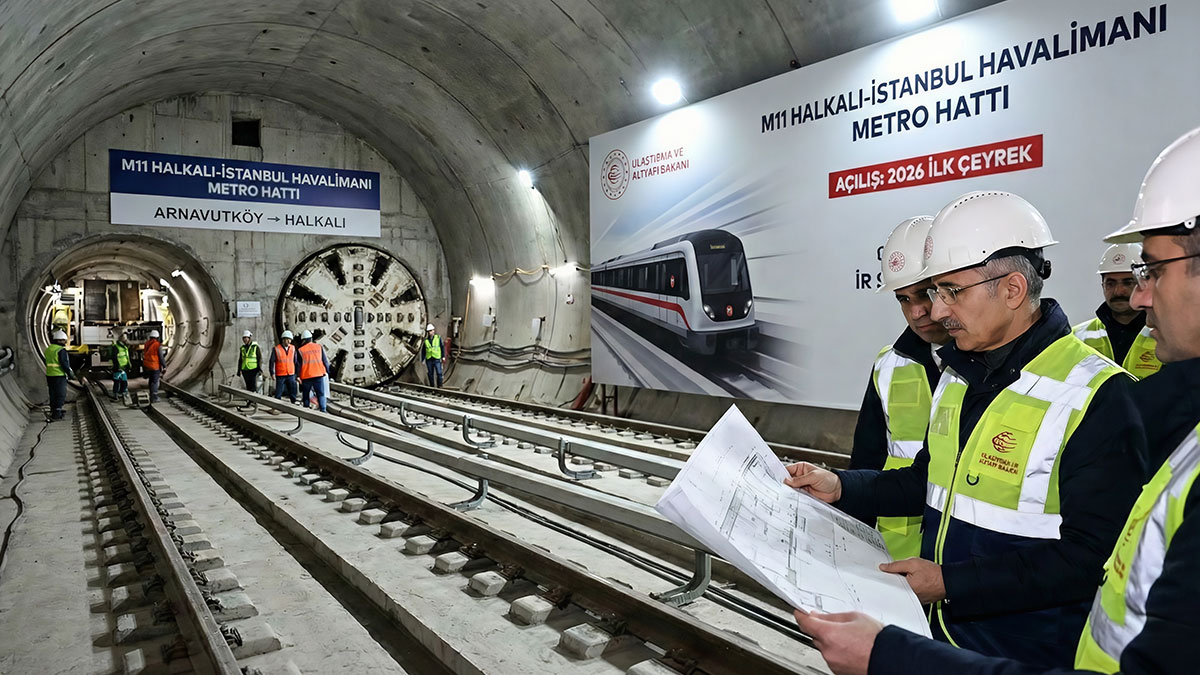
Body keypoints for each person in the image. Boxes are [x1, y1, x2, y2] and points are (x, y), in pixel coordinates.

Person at [792, 127, 1200, 675]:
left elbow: (1087, 557)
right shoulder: (960, 377)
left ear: (1010, 290)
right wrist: (843, 485)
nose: (936, 312)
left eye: (950, 292)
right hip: (941, 638)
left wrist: (950, 583)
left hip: (1025, 654)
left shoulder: (1098, 395)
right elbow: (927, 480)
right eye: (932, 293)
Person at [851, 215, 950, 559]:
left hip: (961, 565)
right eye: (903, 299)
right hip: (897, 555)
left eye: (924, 293)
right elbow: (867, 459)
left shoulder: (988, 363)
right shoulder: (888, 365)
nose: (918, 311)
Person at [1072, 243, 1162, 378]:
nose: (1119, 291)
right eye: (1111, 283)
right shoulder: (1077, 336)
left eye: (1128, 282)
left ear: (1145, 283)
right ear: (1103, 286)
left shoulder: (1167, 333)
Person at [44, 329, 74, 420]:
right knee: (60, 394)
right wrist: (71, 375)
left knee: (52, 393)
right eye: (64, 340)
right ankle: (57, 413)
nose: (65, 342)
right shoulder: (61, 350)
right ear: (59, 340)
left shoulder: (49, 349)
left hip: (50, 374)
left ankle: (54, 411)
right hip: (59, 375)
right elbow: (65, 364)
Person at [297, 329, 330, 412]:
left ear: (303, 340)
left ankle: (306, 410)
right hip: (319, 374)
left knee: (306, 394)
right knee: (321, 394)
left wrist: (297, 376)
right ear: (311, 338)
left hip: (306, 376)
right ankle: (323, 410)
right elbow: (325, 361)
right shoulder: (319, 347)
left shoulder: (301, 350)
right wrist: (328, 372)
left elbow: (298, 365)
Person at [270, 329, 298, 403]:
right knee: (278, 392)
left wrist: (297, 374)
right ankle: (277, 406)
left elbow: (295, 361)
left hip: (291, 374)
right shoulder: (276, 349)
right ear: (283, 340)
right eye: (287, 339)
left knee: (292, 391)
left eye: (290, 340)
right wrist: (272, 373)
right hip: (280, 374)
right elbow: (271, 361)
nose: (289, 341)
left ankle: (293, 404)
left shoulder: (293, 348)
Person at [142, 329, 164, 403]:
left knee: (151, 381)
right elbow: (161, 357)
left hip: (147, 365)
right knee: (155, 382)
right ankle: (154, 397)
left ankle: (151, 395)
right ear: (157, 337)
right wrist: (164, 365)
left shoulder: (146, 344)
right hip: (154, 366)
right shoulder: (157, 345)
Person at [110, 331, 130, 402]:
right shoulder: (116, 347)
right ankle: (116, 395)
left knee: (124, 382)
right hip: (118, 368)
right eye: (125, 338)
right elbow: (114, 357)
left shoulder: (124, 347)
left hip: (123, 367)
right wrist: (117, 367)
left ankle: (123, 394)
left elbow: (126, 357)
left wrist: (128, 365)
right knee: (117, 381)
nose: (126, 339)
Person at [424, 323, 445, 388]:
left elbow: (442, 347)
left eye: (431, 331)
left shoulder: (438, 338)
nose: (430, 332)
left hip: (436, 358)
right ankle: (432, 386)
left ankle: (440, 386)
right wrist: (423, 359)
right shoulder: (426, 341)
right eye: (429, 331)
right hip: (429, 359)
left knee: (439, 372)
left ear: (434, 331)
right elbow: (424, 350)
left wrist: (443, 356)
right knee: (430, 374)